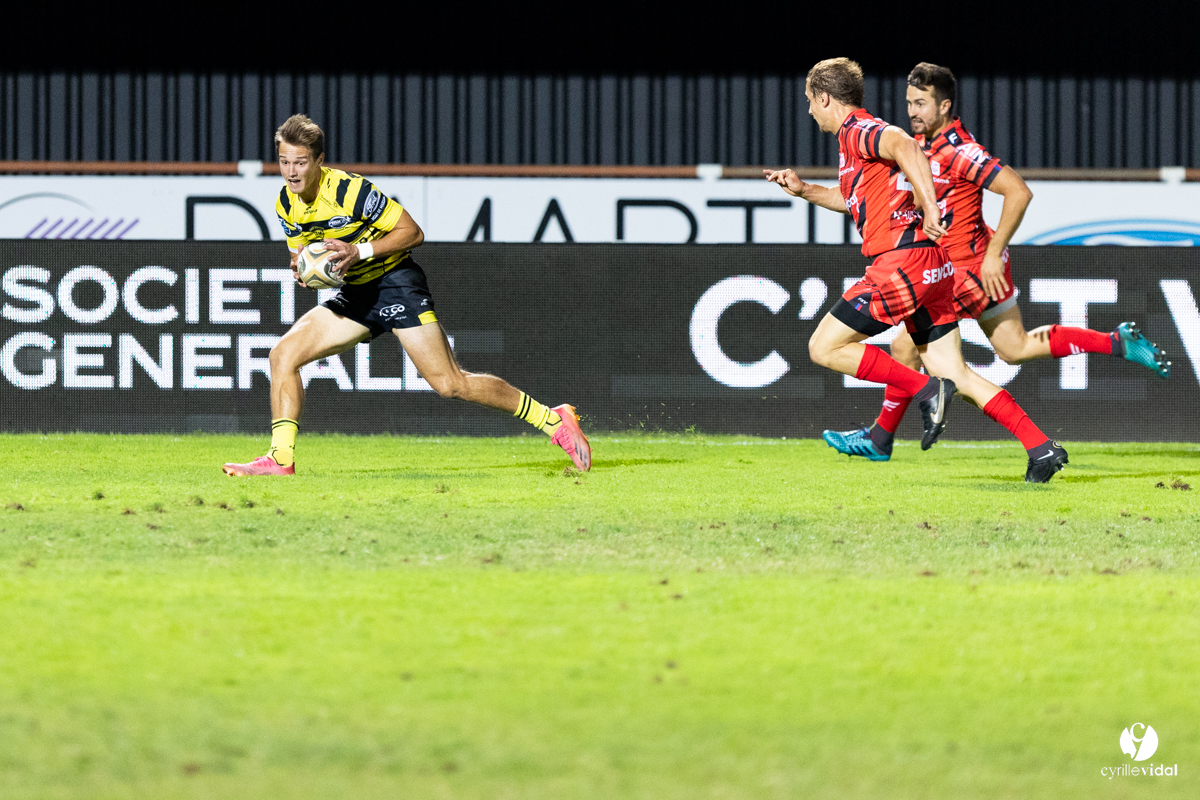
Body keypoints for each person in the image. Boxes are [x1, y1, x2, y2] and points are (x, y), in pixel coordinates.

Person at [822, 62, 1170, 464]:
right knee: (1014, 347)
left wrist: (991, 254)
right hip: (965, 263)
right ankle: (1113, 342)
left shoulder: (957, 149)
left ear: (946, 104)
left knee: (906, 346)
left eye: (921, 103)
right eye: (909, 103)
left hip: (967, 266)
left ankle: (880, 438)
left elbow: (1018, 192)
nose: (913, 111)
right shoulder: (923, 145)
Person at [222, 114, 591, 476]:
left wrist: (358, 252)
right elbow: (300, 255)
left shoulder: (351, 191)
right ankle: (281, 458)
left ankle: (552, 418)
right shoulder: (286, 202)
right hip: (357, 293)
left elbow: (412, 232)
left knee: (450, 384)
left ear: (319, 160)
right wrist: (303, 270)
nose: (291, 171)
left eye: (301, 162)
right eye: (285, 162)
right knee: (282, 355)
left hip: (396, 281)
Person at [765, 58, 1067, 482]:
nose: (809, 110)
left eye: (810, 102)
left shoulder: (859, 129)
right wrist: (805, 190)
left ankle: (926, 390)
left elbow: (904, 144)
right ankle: (1041, 448)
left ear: (825, 98)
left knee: (823, 347)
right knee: (956, 372)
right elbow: (854, 198)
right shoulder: (855, 145)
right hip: (933, 266)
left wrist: (928, 206)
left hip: (900, 264)